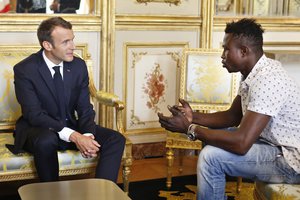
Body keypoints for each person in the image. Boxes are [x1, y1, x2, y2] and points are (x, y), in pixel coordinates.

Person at [158, 18, 300, 200]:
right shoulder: (253, 73)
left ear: (244, 51)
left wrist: (189, 129)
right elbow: (233, 116)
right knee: (213, 138)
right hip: (272, 144)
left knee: (211, 158)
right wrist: (192, 117)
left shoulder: (268, 80)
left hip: (290, 160)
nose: (222, 55)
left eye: (226, 49)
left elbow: (241, 143)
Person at [10, 17, 125, 183]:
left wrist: (87, 136)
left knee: (115, 139)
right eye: (65, 42)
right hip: (39, 129)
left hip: (70, 125)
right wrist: (75, 137)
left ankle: (102, 192)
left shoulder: (78, 66)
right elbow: (34, 114)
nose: (73, 46)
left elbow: (84, 107)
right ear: (47, 45)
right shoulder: (25, 69)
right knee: (46, 140)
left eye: (72, 40)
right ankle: (52, 194)